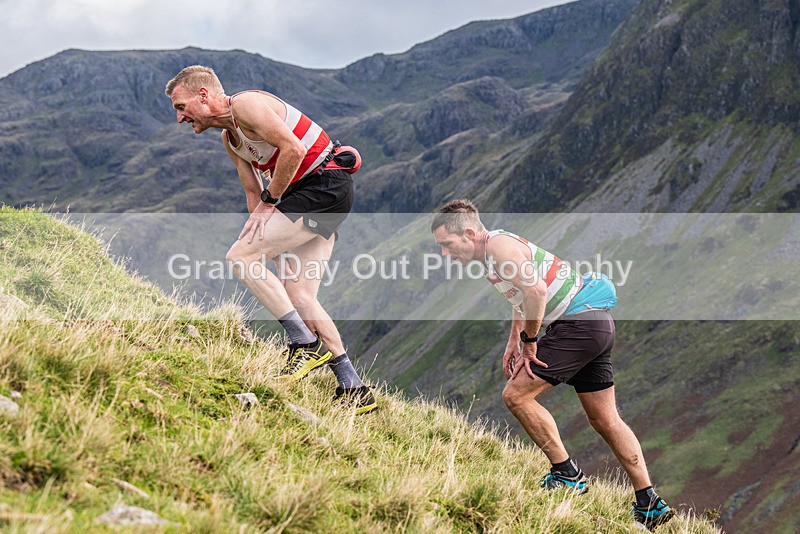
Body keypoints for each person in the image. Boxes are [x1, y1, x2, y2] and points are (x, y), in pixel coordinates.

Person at [431, 199, 673, 531]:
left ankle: (567, 476)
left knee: (516, 396)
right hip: (596, 325)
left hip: (576, 326)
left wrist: (530, 341)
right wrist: (514, 341)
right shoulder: (492, 252)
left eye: (447, 245)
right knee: (605, 418)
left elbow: (536, 290)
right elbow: (522, 297)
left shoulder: (499, 248)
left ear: (469, 233)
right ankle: (649, 504)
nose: (445, 254)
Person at [165, 65, 376, 414]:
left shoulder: (246, 105)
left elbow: (291, 149)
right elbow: (253, 190)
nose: (179, 118)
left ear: (203, 95)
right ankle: (353, 386)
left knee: (239, 259)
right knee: (300, 294)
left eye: (181, 106)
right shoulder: (229, 139)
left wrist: (269, 206)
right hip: (312, 196)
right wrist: (260, 233)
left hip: (322, 187)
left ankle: (304, 343)